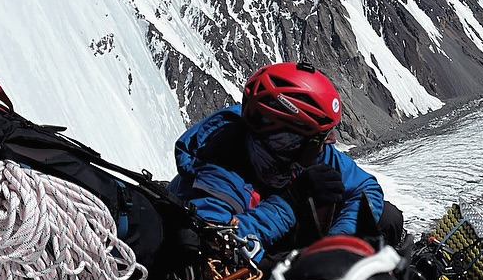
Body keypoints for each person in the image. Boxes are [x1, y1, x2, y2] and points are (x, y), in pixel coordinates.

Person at [170, 61, 398, 260]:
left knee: (387, 218)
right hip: (252, 264)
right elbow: (215, 246)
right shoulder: (217, 171)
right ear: (283, 140)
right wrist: (289, 203)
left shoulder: (308, 150)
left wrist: (339, 240)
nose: (331, 141)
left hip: (284, 244)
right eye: (320, 137)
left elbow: (366, 188)